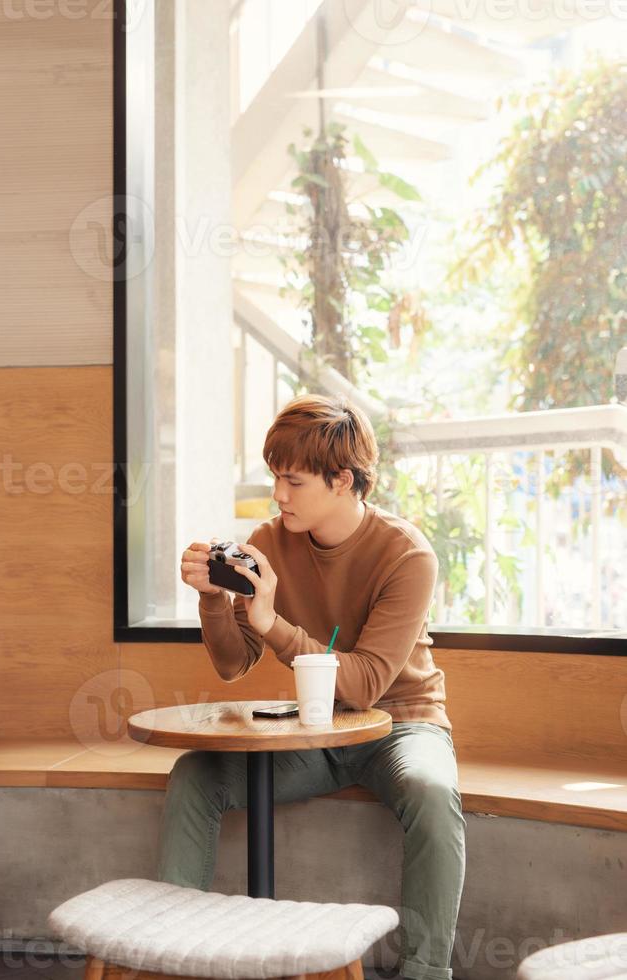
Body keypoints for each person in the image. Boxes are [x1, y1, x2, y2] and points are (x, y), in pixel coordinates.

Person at [159, 394, 466, 980]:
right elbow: (232, 664)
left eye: (292, 481)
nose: (278, 495)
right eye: (276, 477)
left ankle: (426, 973)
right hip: (316, 728)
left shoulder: (406, 554)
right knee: (196, 775)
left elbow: (369, 684)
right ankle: (170, 958)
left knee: (431, 790)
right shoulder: (271, 542)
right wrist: (212, 599)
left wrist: (272, 622)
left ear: (343, 480)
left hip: (402, 723)